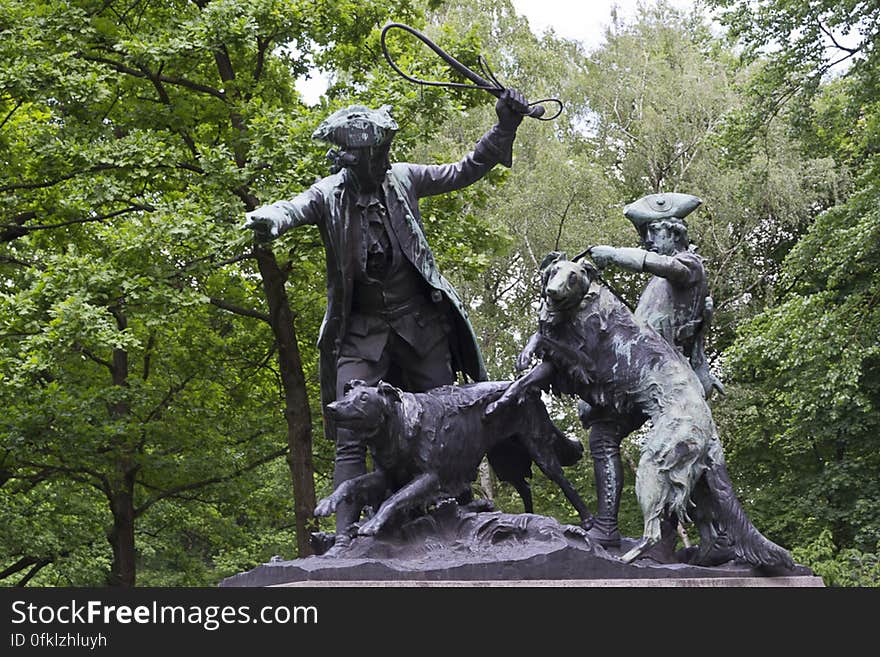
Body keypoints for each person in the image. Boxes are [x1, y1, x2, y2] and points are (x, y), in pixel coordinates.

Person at [243, 90, 531, 550]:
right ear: (354, 159)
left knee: (449, 422)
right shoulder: (330, 194)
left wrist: (505, 126)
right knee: (349, 436)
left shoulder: (404, 178)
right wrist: (269, 219)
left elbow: (464, 169)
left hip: (420, 326)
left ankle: (449, 513)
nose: (386, 159)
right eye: (378, 153)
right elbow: (292, 207)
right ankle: (343, 540)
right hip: (361, 333)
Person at [580, 192, 723, 547]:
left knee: (606, 435)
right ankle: (704, 540)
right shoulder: (663, 283)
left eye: (653, 233)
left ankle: (610, 529)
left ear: (674, 233)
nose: (646, 241)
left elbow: (668, 276)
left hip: (660, 378)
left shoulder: (688, 265)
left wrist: (613, 255)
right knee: (690, 457)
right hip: (653, 375)